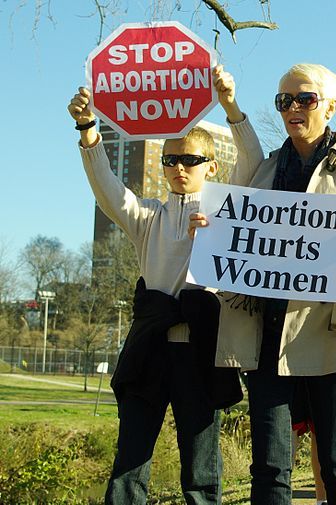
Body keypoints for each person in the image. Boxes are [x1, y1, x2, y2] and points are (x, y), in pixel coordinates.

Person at [197, 63, 336, 505]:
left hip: (331, 339)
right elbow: (237, 228)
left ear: (330, 106)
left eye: (305, 99)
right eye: (284, 100)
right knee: (269, 468)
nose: (293, 107)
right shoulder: (266, 170)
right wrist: (213, 231)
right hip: (266, 337)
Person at [68, 88, 242, 504]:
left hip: (200, 354)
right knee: (129, 463)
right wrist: (88, 128)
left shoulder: (229, 219)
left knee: (201, 470)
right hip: (149, 349)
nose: (179, 168)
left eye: (190, 160)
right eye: (170, 160)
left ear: (211, 166)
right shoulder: (148, 218)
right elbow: (108, 189)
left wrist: (231, 105)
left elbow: (251, 161)